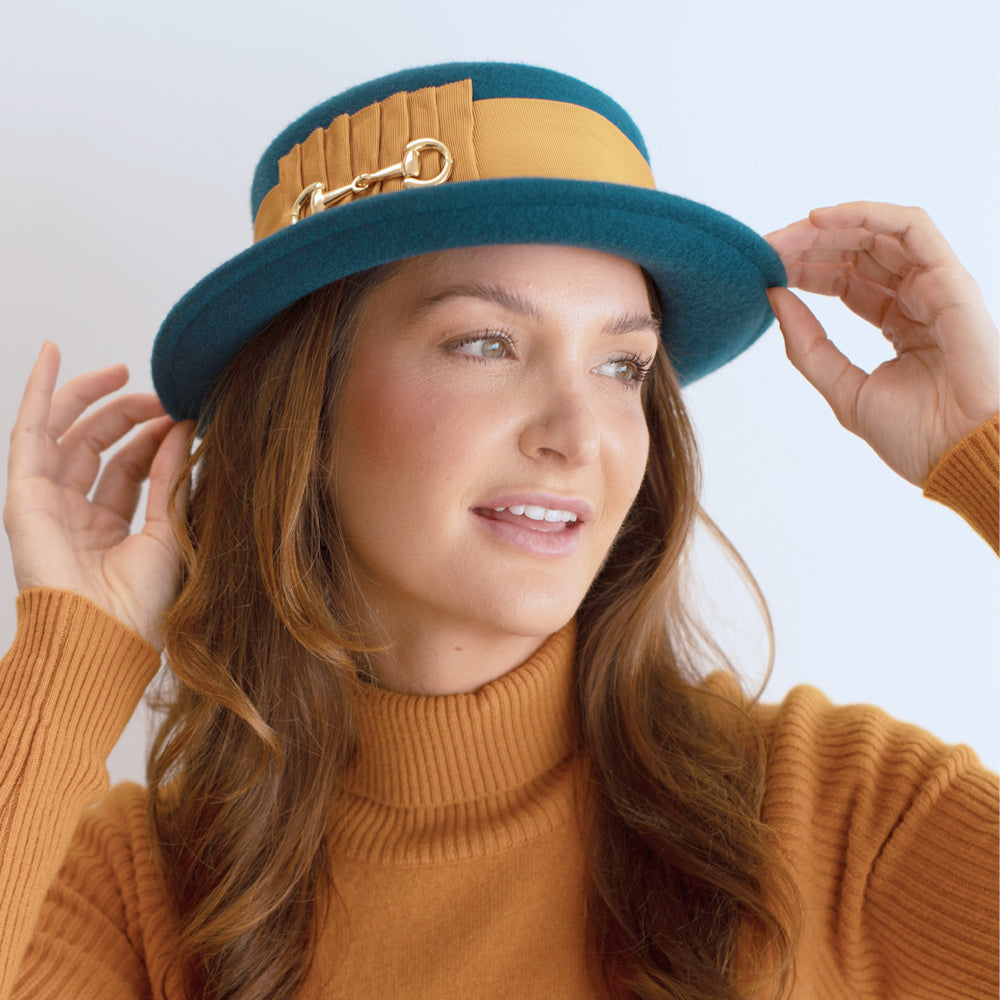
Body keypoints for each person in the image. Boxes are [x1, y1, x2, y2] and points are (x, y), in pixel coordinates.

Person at [0, 62, 996, 1000]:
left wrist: (987, 456)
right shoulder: (135, 895)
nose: (578, 435)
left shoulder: (831, 816)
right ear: (304, 410)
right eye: (487, 342)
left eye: (621, 366)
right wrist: (69, 653)